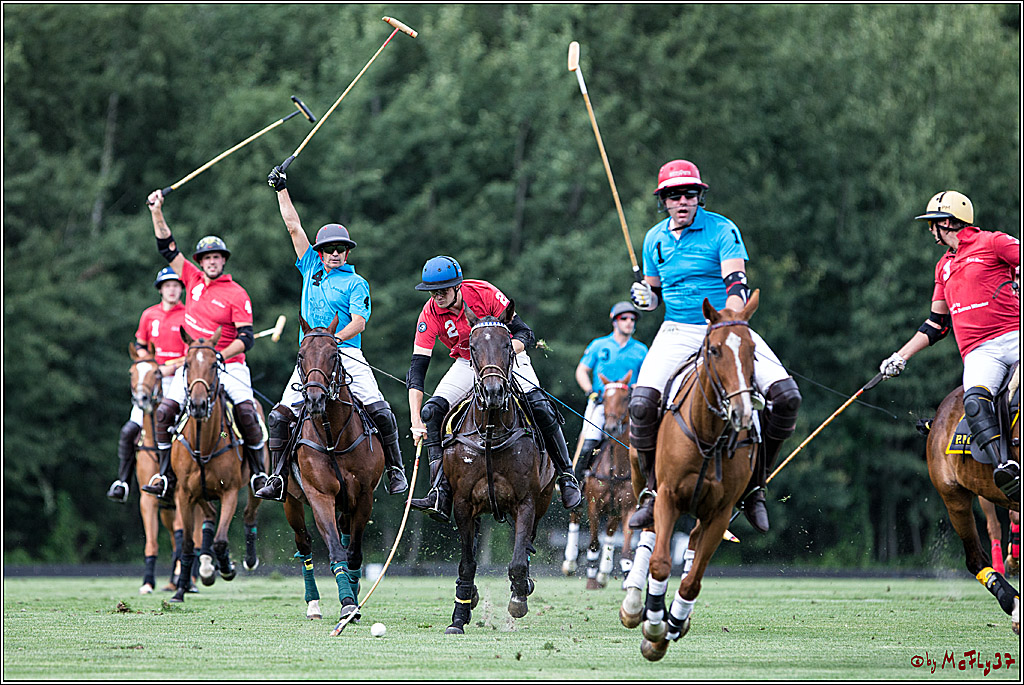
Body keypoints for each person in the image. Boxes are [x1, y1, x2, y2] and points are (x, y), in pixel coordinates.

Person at [627, 159, 801, 532]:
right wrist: (645, 298)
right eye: (674, 195)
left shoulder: (722, 229)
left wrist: (729, 325)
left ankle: (755, 487)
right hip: (677, 330)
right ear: (664, 201)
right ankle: (651, 492)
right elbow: (655, 297)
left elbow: (737, 286)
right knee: (641, 404)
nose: (682, 201)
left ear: (699, 196)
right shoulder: (653, 238)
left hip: (725, 327)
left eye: (689, 193)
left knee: (787, 397)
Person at [253, 166, 407, 501]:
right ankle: (277, 477)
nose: (334, 253)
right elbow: (293, 227)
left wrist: (332, 342)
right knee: (279, 416)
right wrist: (281, 189)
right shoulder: (309, 266)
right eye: (328, 248)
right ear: (320, 252)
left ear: (347, 252)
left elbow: (359, 321)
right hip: (310, 357)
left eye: (340, 248)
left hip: (345, 352)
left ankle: (396, 470)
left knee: (381, 409)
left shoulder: (356, 282)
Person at [405, 256, 583, 523]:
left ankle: (567, 475)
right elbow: (417, 368)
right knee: (433, 412)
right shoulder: (429, 314)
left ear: (458, 286)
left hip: (505, 356)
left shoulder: (484, 292)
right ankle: (439, 491)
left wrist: (501, 356)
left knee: (540, 406)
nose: (438, 296)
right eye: (433, 291)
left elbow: (525, 333)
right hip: (467, 362)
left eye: (443, 289)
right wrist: (415, 418)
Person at [879, 190, 1020, 498]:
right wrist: (900, 357)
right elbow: (936, 324)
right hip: (981, 352)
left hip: (1015, 335)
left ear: (947, 222)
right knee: (973, 402)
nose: (930, 230)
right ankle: (1006, 470)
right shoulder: (943, 266)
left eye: (933, 223)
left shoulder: (993, 242)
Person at [140, 189, 268, 501]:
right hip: (192, 367)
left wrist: (217, 357)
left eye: (217, 257)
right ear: (201, 262)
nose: (212, 262)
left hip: (229, 365)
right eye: (207, 258)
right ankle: (164, 475)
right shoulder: (192, 279)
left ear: (223, 261)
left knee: (246, 413)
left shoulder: (237, 294)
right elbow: (166, 247)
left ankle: (259, 473)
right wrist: (157, 211)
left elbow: (246, 338)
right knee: (164, 413)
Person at [106, 267, 186, 502]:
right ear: (160, 289)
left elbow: (193, 351)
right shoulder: (149, 315)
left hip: (178, 379)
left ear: (181, 289)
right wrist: (148, 362)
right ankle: (122, 482)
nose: (172, 289)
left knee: (176, 425)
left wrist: (170, 366)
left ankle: (174, 475)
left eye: (176, 285)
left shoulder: (188, 315)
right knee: (130, 429)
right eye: (167, 285)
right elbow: (140, 344)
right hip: (152, 380)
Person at [573, 301, 648, 479]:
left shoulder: (641, 350)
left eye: (633, 319)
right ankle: (576, 484)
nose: (629, 322)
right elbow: (582, 371)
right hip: (602, 403)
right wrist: (590, 391)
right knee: (589, 440)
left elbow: (647, 377)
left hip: (631, 406)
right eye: (624, 318)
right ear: (614, 321)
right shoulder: (599, 345)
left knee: (650, 440)